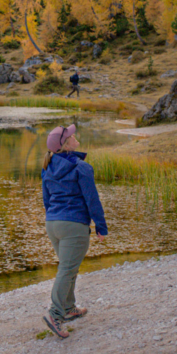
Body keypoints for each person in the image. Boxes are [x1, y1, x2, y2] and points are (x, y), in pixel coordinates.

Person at [41, 123, 108, 338]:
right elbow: (92, 199)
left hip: (53, 224)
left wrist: (56, 216)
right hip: (73, 225)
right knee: (67, 270)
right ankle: (55, 313)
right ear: (66, 144)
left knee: (68, 268)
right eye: (70, 136)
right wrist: (101, 226)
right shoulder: (81, 167)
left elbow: (47, 200)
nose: (74, 136)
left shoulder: (48, 167)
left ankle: (69, 309)